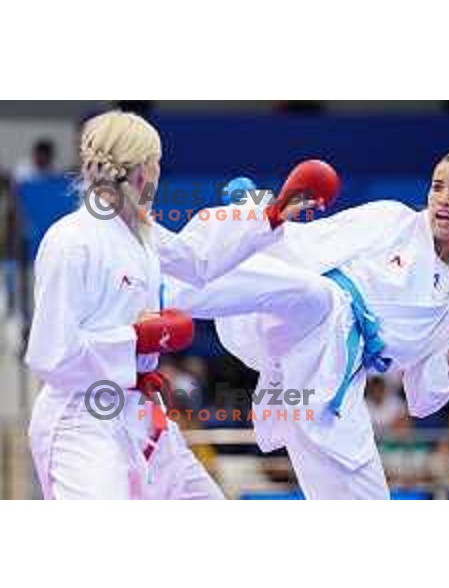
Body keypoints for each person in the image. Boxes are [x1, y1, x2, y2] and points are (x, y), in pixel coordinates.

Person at [158, 150, 449, 499]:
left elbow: (423, 398)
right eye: (438, 186)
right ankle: (156, 286)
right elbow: (308, 244)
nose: (444, 198)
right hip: (281, 322)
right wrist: (266, 220)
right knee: (318, 295)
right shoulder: (391, 219)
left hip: (325, 384)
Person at [25, 110, 299, 500]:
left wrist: (266, 216)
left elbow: (196, 258)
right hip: (81, 422)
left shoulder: (142, 234)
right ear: (141, 172)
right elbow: (49, 354)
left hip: (139, 414)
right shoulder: (71, 241)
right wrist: (135, 339)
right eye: (155, 165)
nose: (157, 175)